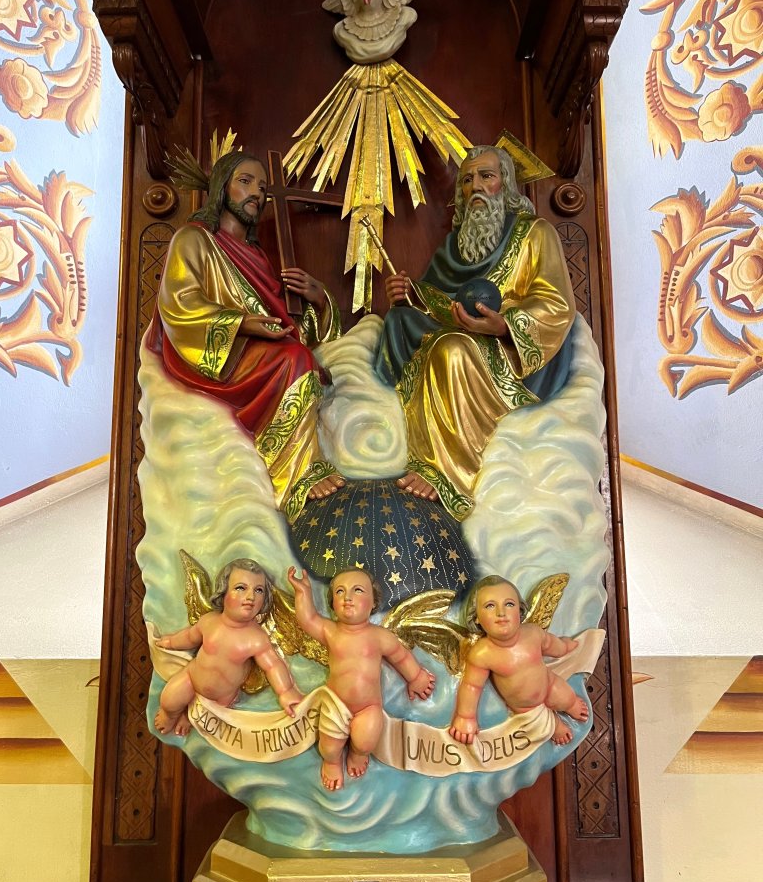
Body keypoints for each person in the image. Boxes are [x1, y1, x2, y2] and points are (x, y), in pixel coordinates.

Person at [375, 145, 576, 520]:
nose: (476, 186)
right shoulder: (454, 245)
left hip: (509, 353)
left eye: (487, 176)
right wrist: (410, 295)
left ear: (506, 184)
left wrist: (503, 325)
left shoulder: (535, 233)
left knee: (451, 350)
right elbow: (439, 302)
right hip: (459, 333)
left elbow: (556, 303)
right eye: (467, 180)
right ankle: (392, 434)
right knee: (399, 321)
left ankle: (450, 472)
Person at [147, 150, 345, 523]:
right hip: (217, 356)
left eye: (263, 187)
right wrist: (242, 324)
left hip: (256, 349)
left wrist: (319, 299)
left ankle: (305, 464)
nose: (257, 193)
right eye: (245, 182)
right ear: (223, 188)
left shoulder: (258, 256)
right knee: (294, 360)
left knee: (299, 356)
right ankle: (298, 474)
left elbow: (285, 326)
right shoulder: (194, 239)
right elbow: (180, 303)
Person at [287, 565, 436, 790]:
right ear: (332, 603)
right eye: (340, 591)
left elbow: (401, 656)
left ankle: (358, 755)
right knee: (329, 748)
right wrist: (303, 593)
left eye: (357, 590)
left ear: (374, 601)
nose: (347, 597)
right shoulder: (331, 631)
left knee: (366, 741)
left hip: (368, 706)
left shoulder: (379, 636)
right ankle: (332, 762)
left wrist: (416, 677)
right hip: (336, 704)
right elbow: (307, 619)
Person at [154, 559, 302, 736]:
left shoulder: (256, 639)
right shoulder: (209, 621)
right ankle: (169, 715)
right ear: (223, 592)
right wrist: (171, 642)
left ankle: (188, 716)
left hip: (222, 698)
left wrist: (285, 691)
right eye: (241, 588)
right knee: (169, 700)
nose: (251, 596)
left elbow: (273, 666)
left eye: (259, 590)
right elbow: (189, 637)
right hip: (191, 679)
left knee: (209, 718)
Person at [448, 576, 588, 746]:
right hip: (524, 706)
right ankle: (556, 725)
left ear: (520, 610)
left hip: (549, 684)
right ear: (476, 617)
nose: (501, 612)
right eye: (490, 606)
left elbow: (552, 644)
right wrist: (465, 717)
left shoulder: (533, 633)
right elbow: (472, 686)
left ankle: (571, 705)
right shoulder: (482, 653)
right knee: (538, 726)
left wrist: (565, 646)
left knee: (565, 696)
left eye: (509, 604)